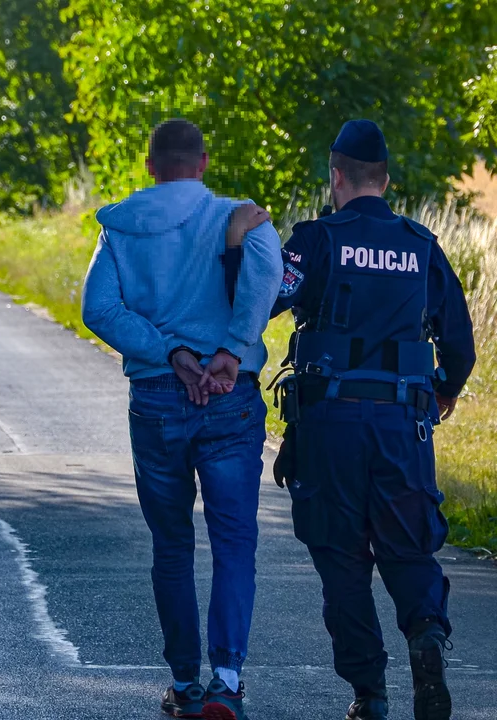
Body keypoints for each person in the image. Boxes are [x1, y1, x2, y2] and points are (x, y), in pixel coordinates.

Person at [228, 119, 476, 720]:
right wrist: (442, 391)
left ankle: (370, 693)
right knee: (409, 546)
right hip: (402, 426)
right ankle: (425, 636)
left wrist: (238, 247)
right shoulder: (422, 246)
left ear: (335, 177)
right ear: (385, 181)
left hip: (329, 426)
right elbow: (461, 345)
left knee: (341, 558)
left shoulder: (317, 240)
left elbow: (263, 296)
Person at [81, 118, 283, 720]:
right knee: (234, 541)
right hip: (231, 395)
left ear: (150, 166)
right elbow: (266, 273)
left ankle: (185, 685)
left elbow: (99, 308)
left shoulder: (119, 226)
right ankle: (226, 679)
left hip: (158, 400)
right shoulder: (238, 216)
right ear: (203, 162)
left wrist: (168, 350)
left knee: (171, 546)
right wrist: (230, 348)